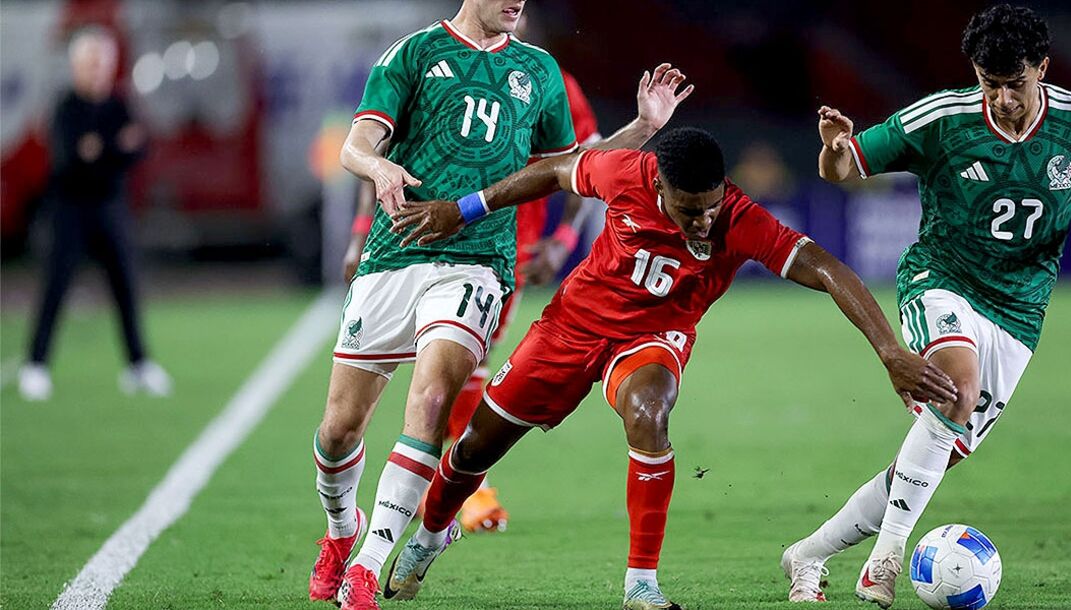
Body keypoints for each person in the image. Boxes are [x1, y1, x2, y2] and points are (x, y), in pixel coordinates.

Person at [386, 127, 958, 609]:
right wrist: (465, 210)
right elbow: (558, 171)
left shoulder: (738, 217)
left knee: (649, 412)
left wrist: (889, 350)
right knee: (474, 449)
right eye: (690, 210)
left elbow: (827, 267)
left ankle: (642, 584)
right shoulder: (623, 172)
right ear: (658, 183)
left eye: (711, 207)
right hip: (569, 328)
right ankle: (432, 534)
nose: (704, 222)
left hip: (653, 338)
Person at [308, 1, 693, 607]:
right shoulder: (413, 53)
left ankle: (369, 565)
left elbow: (571, 168)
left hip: (480, 262)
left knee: (434, 398)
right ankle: (341, 532)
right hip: (395, 252)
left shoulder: (539, 72)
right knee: (337, 431)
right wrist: (378, 167)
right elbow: (354, 147)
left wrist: (644, 128)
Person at [779, 5, 1071, 606]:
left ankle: (809, 553)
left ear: (1043, 69)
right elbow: (844, 169)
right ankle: (885, 561)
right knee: (957, 387)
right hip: (942, 277)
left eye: (1016, 83)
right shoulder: (942, 116)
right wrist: (833, 149)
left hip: (1020, 311)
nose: (1002, 98)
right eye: (990, 83)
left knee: (936, 455)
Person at [340, 67, 602, 535]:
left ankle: (459, 495)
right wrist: (361, 233)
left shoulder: (549, 78)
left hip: (496, 255)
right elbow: (376, 147)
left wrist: (563, 237)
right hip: (406, 245)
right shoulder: (428, 59)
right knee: (346, 420)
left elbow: (581, 161)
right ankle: (396, 503)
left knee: (459, 373)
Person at [19, 26, 171, 402]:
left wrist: (101, 151)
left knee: (125, 287)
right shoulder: (65, 106)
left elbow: (137, 149)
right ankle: (35, 365)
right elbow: (70, 158)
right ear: (75, 66)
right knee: (55, 286)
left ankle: (138, 365)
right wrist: (111, 150)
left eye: (103, 62)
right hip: (70, 209)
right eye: (90, 62)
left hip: (110, 207)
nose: (97, 69)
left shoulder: (119, 104)